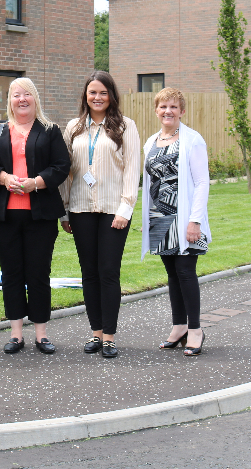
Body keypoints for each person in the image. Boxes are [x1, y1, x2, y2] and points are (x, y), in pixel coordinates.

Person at [0, 77, 69, 354]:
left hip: (40, 216)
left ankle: (41, 334)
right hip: (7, 217)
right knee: (12, 273)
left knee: (39, 274)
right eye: (16, 95)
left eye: (27, 94)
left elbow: (62, 166)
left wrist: (36, 182)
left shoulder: (50, 131)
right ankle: (16, 334)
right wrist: (4, 178)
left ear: (35, 98)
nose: (22, 99)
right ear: (10, 101)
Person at [59, 71, 141, 358]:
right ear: (85, 95)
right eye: (92, 92)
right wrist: (65, 211)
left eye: (103, 92)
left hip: (112, 211)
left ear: (111, 96)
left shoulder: (126, 127)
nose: (97, 97)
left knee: (108, 272)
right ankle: (95, 333)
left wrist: (125, 208)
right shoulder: (73, 128)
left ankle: (109, 336)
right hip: (80, 209)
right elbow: (66, 173)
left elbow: (132, 170)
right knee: (89, 274)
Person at [141, 87, 211, 357]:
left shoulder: (193, 140)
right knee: (172, 274)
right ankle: (179, 326)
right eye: (162, 107)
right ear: (156, 111)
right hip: (160, 218)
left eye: (173, 107)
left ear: (182, 111)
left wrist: (195, 221)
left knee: (185, 271)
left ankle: (195, 330)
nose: (167, 111)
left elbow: (202, 182)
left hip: (184, 218)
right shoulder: (151, 142)